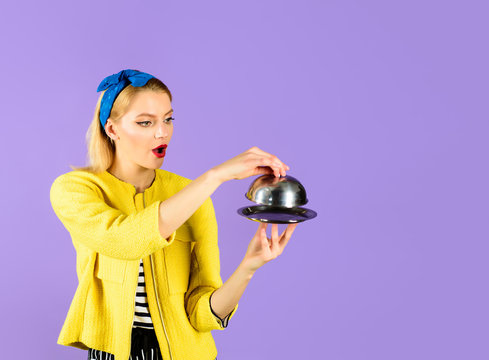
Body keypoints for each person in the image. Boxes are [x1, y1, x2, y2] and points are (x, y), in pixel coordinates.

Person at [50, 69, 298, 360]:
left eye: (168, 119)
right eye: (145, 122)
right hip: (113, 352)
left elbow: (202, 314)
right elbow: (124, 240)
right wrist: (214, 177)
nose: (162, 132)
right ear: (112, 129)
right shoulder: (75, 189)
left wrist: (249, 267)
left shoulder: (190, 196)